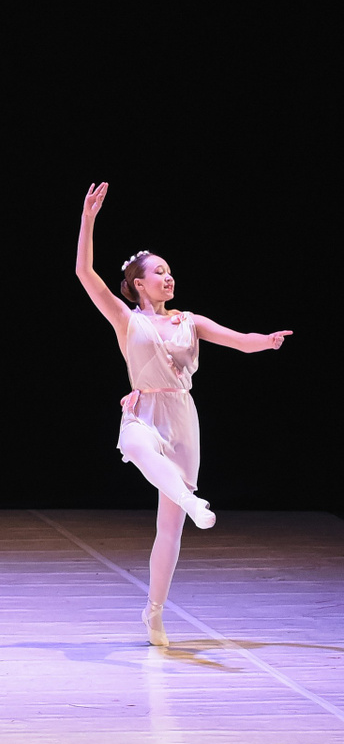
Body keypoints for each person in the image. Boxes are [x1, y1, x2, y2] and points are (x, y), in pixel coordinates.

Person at [73, 183, 291, 646]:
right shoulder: (126, 319)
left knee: (168, 529)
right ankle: (193, 503)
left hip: (181, 417)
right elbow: (84, 272)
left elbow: (240, 340)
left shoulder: (189, 321)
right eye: (159, 272)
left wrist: (267, 342)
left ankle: (153, 613)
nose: (168, 278)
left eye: (170, 272)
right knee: (132, 443)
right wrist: (88, 219)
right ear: (138, 283)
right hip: (143, 406)